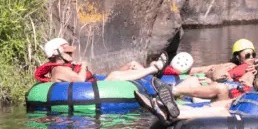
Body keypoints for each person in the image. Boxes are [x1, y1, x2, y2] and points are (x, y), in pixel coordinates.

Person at [135, 59, 258, 123]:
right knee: (215, 108)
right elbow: (228, 103)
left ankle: (173, 113)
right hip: (237, 111)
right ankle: (163, 108)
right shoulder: (251, 93)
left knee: (220, 113)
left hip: (252, 119)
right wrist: (204, 106)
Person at [34, 38, 167, 83]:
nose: (71, 53)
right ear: (56, 53)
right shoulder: (59, 70)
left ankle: (154, 80)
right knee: (114, 76)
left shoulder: (66, 66)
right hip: (92, 89)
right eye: (67, 51)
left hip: (96, 83)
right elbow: (80, 80)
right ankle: (153, 69)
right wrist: (84, 66)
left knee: (131, 64)